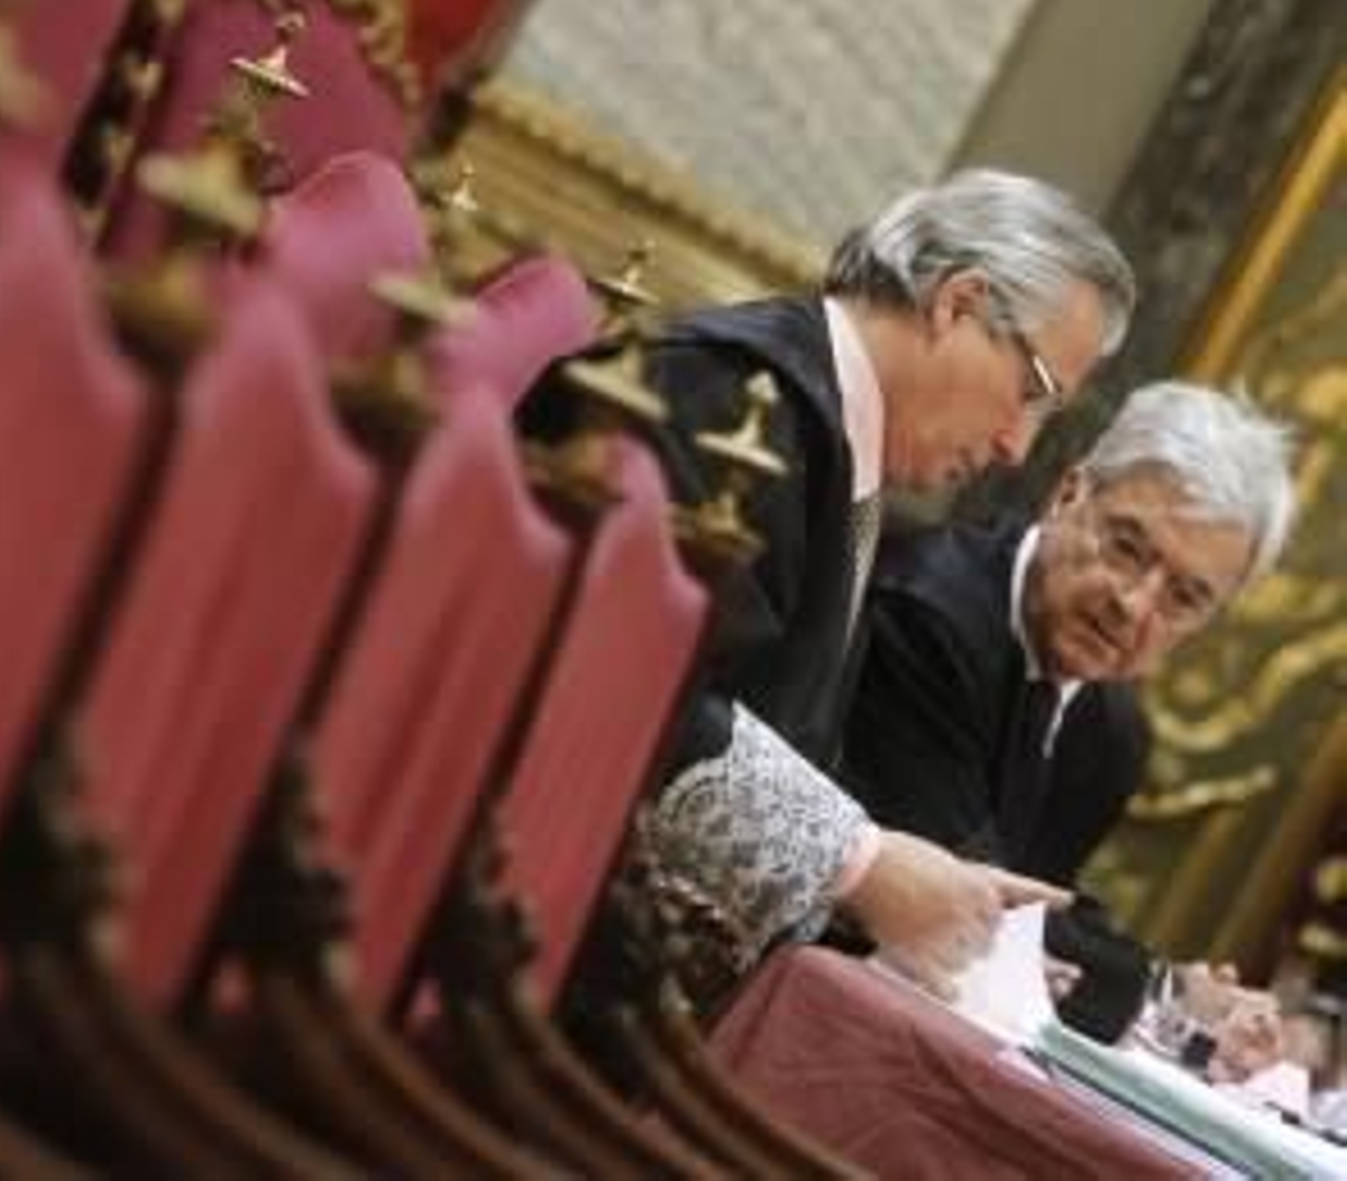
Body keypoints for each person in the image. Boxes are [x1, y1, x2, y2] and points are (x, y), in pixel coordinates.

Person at [525, 167, 1137, 992]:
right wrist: (860, 864)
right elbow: (619, 688)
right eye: (1031, 393)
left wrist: (907, 879)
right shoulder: (728, 398)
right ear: (958, 303)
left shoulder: (830, 441)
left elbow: (769, 725)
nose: (1015, 446)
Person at [841, 381, 1295, 1045]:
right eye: (1127, 548)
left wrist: (1177, 994)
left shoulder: (1112, 732)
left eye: (1184, 597)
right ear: (1067, 494)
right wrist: (1165, 992)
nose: (1134, 605)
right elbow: (980, 911)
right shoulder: (929, 613)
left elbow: (1040, 930)